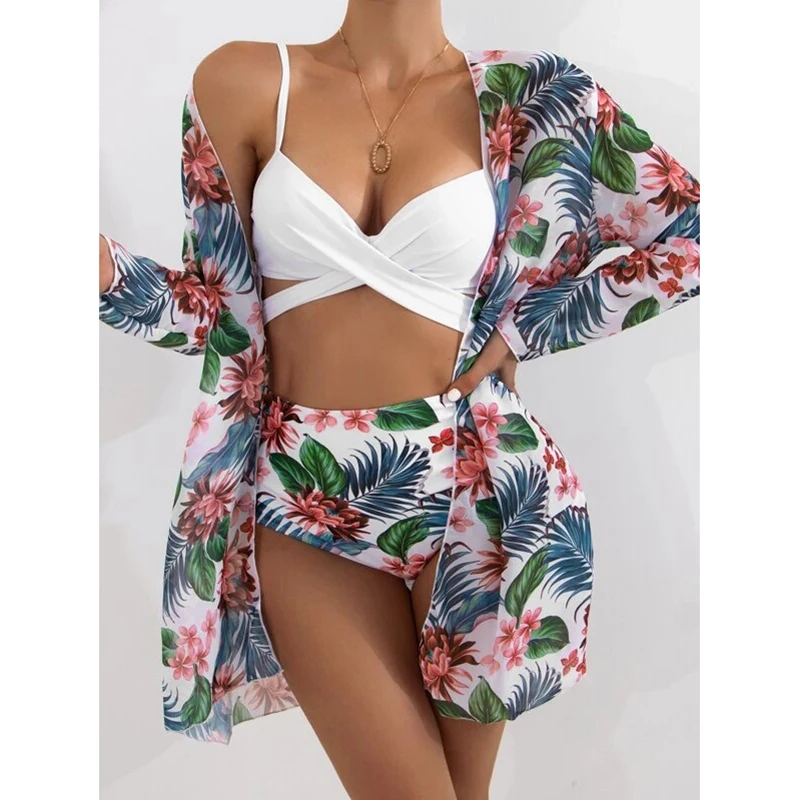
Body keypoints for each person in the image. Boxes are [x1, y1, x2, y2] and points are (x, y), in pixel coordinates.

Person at [99, 1, 700, 797]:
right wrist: (98, 272)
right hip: (303, 499)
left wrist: (526, 329)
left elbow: (692, 235)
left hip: (480, 493)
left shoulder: (540, 97)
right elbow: (218, 313)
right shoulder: (244, 81)